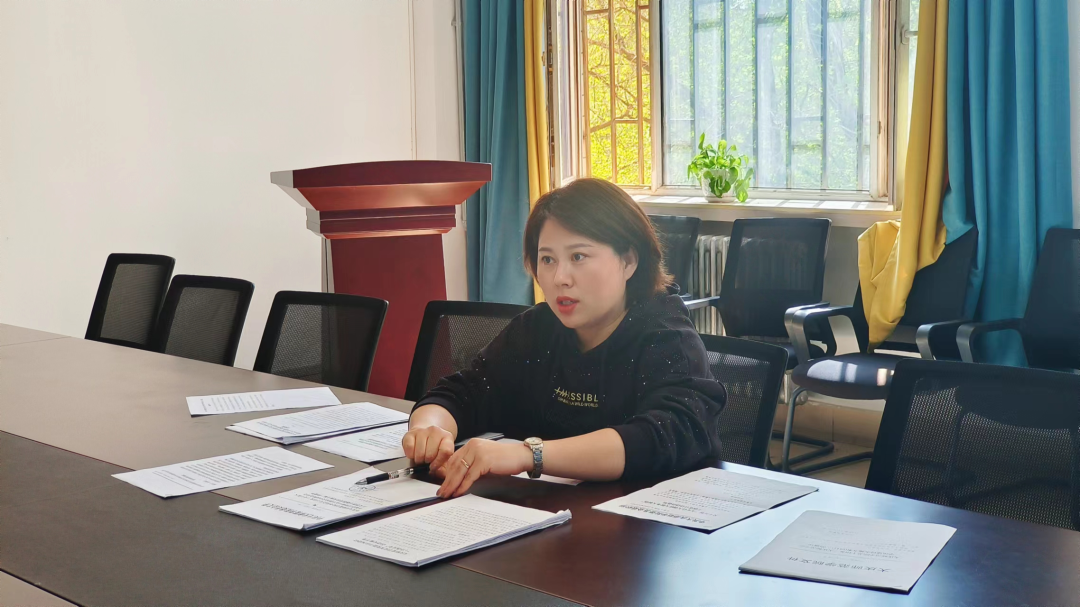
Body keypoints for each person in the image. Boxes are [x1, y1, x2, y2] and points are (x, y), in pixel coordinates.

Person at [403, 178, 726, 499]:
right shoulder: (538, 328)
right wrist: (430, 429)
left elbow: (661, 437)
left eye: (578, 257)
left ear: (628, 261)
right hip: (548, 510)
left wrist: (529, 455)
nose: (560, 278)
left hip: (650, 519)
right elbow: (466, 391)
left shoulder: (667, 337)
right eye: (548, 260)